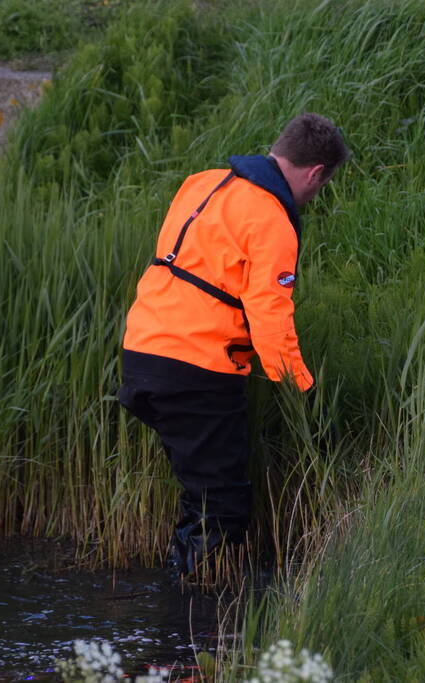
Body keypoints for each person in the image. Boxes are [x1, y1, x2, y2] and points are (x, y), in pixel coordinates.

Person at [118, 113, 350, 574]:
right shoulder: (272, 218)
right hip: (197, 370)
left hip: (142, 350)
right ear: (315, 173)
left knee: (204, 494)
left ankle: (184, 605)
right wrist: (305, 392)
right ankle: (190, 619)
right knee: (219, 508)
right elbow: (270, 321)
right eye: (319, 189)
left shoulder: (202, 182)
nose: (311, 198)